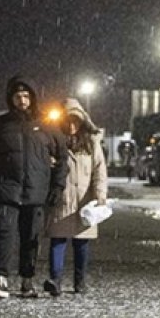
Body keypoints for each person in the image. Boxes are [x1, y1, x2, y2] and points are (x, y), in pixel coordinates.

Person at [0, 75, 67, 299]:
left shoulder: (47, 125)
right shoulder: (0, 125)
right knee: (3, 234)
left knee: (30, 237)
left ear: (33, 98)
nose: (22, 100)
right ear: (10, 98)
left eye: (26, 96)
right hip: (6, 189)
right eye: (17, 96)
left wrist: (57, 186)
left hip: (36, 192)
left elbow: (62, 158)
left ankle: (27, 280)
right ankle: (0, 280)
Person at [43, 98, 108, 297]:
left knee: (81, 243)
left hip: (84, 201)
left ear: (82, 122)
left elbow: (99, 171)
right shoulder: (53, 141)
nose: (71, 126)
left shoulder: (91, 143)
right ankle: (56, 280)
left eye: (76, 122)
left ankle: (80, 281)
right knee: (58, 240)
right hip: (60, 199)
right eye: (68, 122)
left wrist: (100, 195)